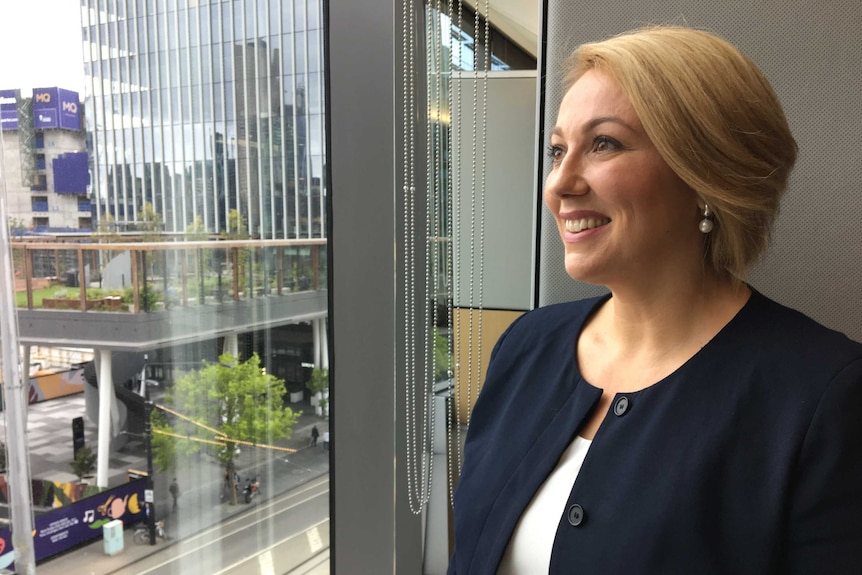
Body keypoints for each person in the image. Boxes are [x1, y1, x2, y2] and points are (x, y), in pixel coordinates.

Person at [448, 26, 862, 575]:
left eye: (604, 144)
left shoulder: (820, 397)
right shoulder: (526, 345)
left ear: (706, 174)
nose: (559, 183)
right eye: (557, 150)